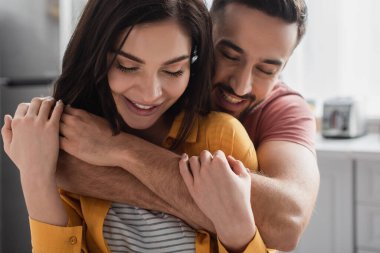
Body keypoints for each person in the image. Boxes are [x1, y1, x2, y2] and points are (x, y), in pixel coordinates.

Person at [1, 0, 270, 252]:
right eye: (127, 66)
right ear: (97, 56)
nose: (150, 94)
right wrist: (35, 176)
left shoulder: (225, 137)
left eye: (173, 71)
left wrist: (238, 230)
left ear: (193, 65)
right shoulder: (68, 143)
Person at [52, 0, 319, 251]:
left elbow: (287, 225)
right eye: (229, 55)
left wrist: (122, 149)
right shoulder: (158, 80)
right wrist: (219, 208)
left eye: (267, 70)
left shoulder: (285, 110)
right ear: (202, 37)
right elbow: (65, 166)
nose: (241, 85)